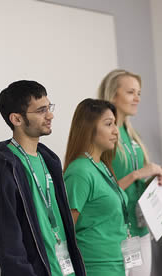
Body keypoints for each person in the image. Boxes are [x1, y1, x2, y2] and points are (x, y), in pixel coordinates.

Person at [0, 80, 86, 276]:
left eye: (49, 107)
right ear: (17, 119)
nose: (50, 115)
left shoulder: (49, 160)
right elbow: (6, 244)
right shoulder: (3, 169)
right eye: (41, 111)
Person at [98, 69, 162, 276]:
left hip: (139, 227)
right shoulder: (103, 136)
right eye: (131, 92)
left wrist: (157, 176)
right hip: (116, 230)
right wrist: (137, 174)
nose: (137, 98)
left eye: (139, 93)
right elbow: (100, 193)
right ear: (113, 95)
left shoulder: (131, 134)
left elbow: (137, 176)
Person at [63, 98, 128, 276]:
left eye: (115, 124)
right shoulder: (80, 171)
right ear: (88, 127)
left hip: (116, 263)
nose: (116, 131)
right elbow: (66, 230)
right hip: (95, 267)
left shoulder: (101, 166)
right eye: (109, 124)